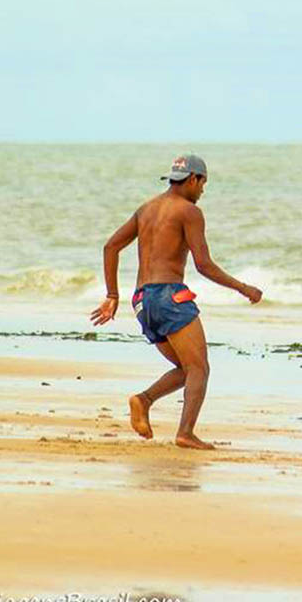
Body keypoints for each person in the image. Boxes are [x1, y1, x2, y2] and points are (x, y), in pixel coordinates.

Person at [90, 154, 262, 450]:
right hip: (169, 297)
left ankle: (143, 401)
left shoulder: (146, 209)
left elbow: (111, 247)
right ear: (193, 179)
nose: (203, 191)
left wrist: (113, 295)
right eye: (203, 184)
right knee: (200, 369)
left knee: (187, 368)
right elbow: (204, 265)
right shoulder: (189, 212)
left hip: (142, 300)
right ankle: (185, 433)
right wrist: (243, 287)